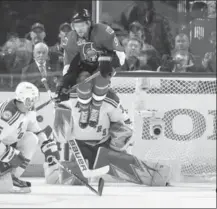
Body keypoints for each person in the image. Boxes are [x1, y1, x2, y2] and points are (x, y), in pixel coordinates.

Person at [42, 72, 172, 186]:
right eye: (81, 78)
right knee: (54, 177)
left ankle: (154, 174)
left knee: (109, 159)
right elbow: (61, 137)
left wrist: (116, 147)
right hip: (80, 147)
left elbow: (125, 125)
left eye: (88, 78)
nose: (85, 81)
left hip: (105, 145)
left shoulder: (109, 98)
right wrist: (61, 115)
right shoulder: (67, 100)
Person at [57, 8, 124, 130]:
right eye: (76, 25)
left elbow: (120, 54)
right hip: (84, 66)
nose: (80, 29)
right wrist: (65, 82)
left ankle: (95, 108)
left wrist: (111, 63)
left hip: (104, 63)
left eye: (82, 25)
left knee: (102, 79)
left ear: (89, 24)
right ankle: (85, 109)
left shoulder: (104, 31)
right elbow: (69, 65)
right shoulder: (71, 38)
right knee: (83, 80)